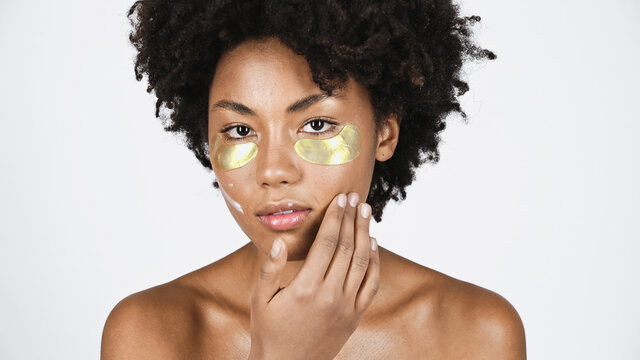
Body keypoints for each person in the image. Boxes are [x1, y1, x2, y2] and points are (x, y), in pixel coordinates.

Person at [101, 0, 526, 358]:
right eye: (239, 130)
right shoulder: (151, 332)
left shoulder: (475, 333)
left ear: (385, 133)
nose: (273, 171)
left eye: (318, 124)